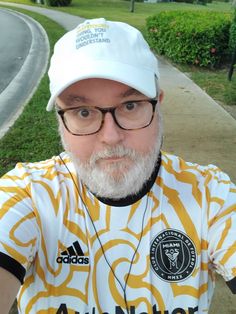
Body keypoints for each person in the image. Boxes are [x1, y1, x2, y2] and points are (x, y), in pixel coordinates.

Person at [0, 17, 235, 314]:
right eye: (83, 111)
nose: (110, 137)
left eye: (130, 106)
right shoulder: (28, 196)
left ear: (158, 105)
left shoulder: (210, 196)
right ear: (61, 118)